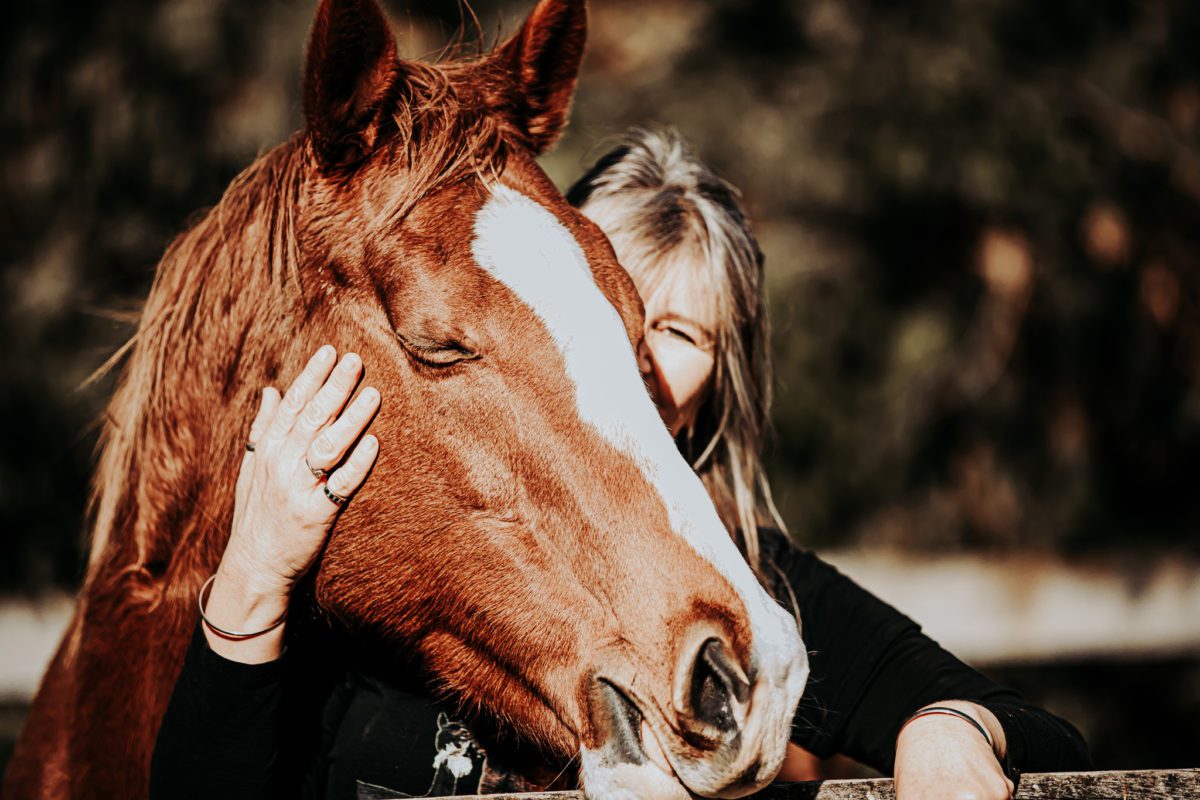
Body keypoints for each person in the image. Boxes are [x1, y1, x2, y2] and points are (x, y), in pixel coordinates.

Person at [150, 128, 1090, 800]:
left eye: (678, 330)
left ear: (721, 377)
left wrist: (951, 730)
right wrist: (256, 570)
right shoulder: (395, 578)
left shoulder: (752, 589)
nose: (631, 351)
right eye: (606, 307)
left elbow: (1050, 744)